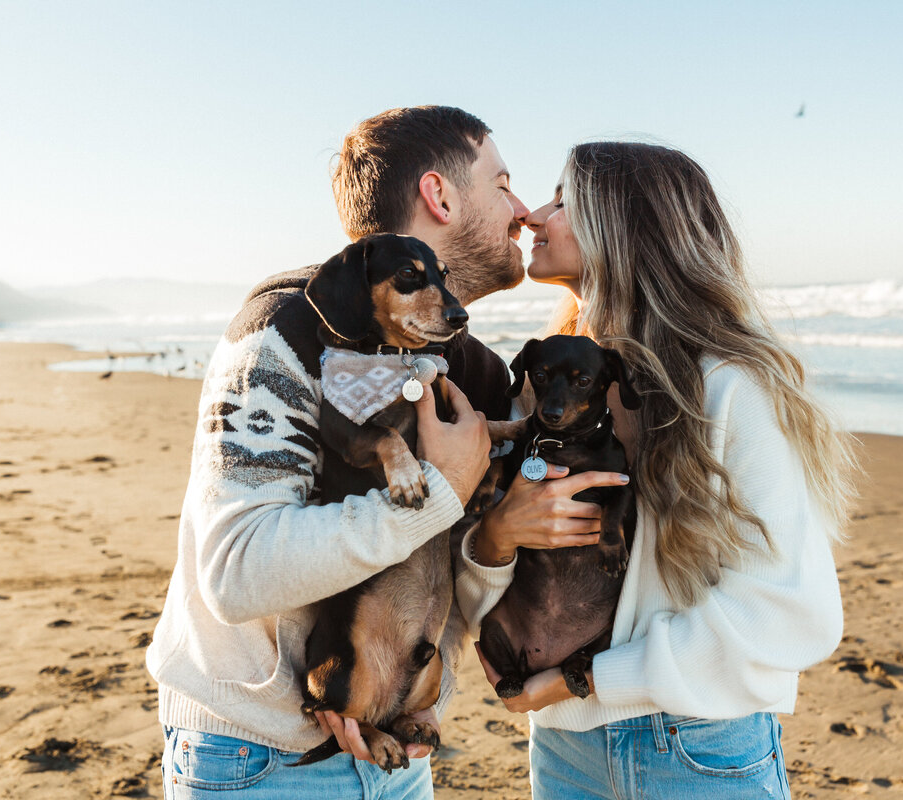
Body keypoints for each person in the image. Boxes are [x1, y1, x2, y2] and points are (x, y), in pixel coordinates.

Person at [146, 106, 617, 799]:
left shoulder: (474, 368)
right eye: (504, 184)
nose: (522, 212)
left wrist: (424, 687)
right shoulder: (286, 327)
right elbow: (234, 572)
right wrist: (440, 490)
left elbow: (450, 561)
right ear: (440, 196)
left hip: (396, 746)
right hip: (257, 755)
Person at [456, 141, 856, 799]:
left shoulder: (727, 390)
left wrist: (588, 678)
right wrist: (496, 544)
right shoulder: (545, 395)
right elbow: (492, 568)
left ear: (623, 227)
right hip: (563, 746)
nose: (533, 216)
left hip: (694, 745)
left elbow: (795, 612)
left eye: (563, 200)